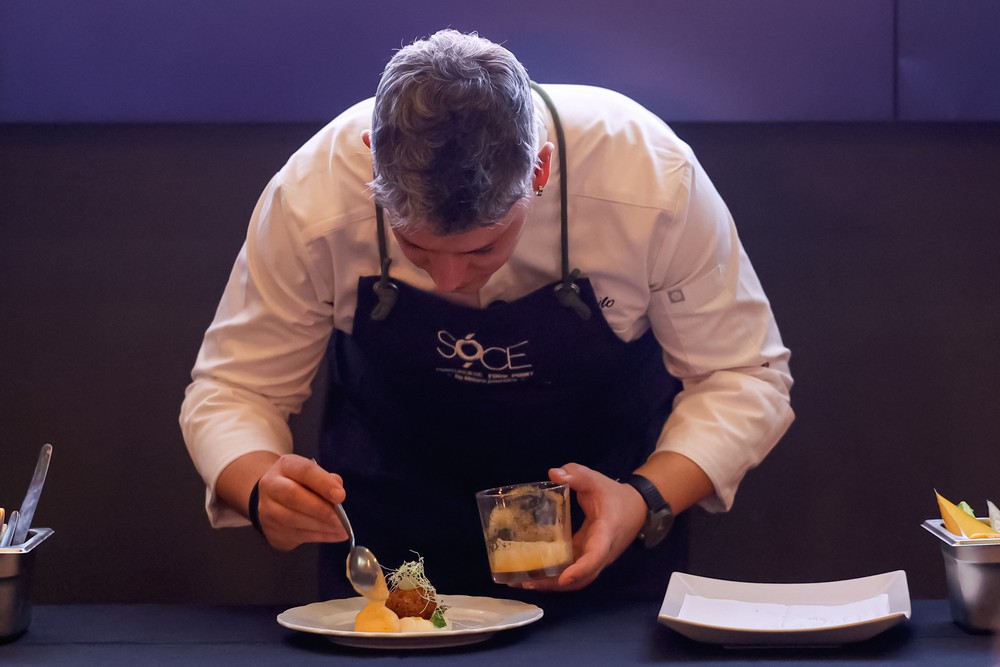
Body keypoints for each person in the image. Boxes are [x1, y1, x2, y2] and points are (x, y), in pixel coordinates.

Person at [180, 29, 794, 602]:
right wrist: (261, 489)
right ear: (371, 164)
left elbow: (743, 375)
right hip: (392, 555)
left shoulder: (648, 177)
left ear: (540, 172)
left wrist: (644, 498)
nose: (447, 278)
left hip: (600, 544)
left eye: (482, 249)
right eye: (415, 249)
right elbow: (235, 389)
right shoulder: (311, 196)